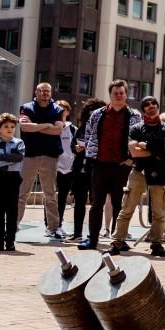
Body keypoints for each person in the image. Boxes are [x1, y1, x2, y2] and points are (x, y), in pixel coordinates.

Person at [112, 96, 165, 257]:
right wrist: (157, 149)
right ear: (143, 109)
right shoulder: (136, 128)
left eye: (153, 103)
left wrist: (145, 145)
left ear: (158, 106)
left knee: (159, 212)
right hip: (139, 171)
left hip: (160, 173)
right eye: (146, 105)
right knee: (127, 208)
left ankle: (157, 243)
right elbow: (134, 152)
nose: (151, 106)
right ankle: (117, 242)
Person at [80, 80, 141, 251]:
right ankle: (92, 239)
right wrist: (92, 156)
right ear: (110, 95)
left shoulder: (135, 116)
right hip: (100, 164)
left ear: (126, 94)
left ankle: (118, 240)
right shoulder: (97, 114)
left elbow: (139, 138)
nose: (119, 95)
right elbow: (89, 134)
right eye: (116, 93)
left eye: (122, 92)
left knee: (119, 205)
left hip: (122, 166)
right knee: (96, 204)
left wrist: (131, 159)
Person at [17, 83, 66, 241]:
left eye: (47, 91)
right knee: (22, 193)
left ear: (51, 93)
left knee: (50, 194)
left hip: (50, 156)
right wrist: (46, 125)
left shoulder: (58, 110)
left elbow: (58, 130)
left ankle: (53, 227)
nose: (45, 93)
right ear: (36, 92)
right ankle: (13, 224)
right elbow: (24, 128)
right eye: (42, 91)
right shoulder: (26, 107)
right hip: (29, 155)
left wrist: (35, 126)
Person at [0, 113, 25, 251]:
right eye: (6, 126)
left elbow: (18, 158)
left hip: (13, 179)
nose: (9, 129)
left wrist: (1, 158)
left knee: (12, 211)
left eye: (12, 127)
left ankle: (10, 241)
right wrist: (9, 160)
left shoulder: (19, 143)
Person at [68, 98, 103, 240]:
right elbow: (73, 144)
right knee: (79, 203)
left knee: (96, 204)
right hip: (79, 170)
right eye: (89, 112)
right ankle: (77, 233)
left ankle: (93, 234)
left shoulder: (102, 128)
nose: (91, 115)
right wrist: (76, 148)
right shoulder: (82, 128)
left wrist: (87, 148)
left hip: (94, 170)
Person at [54, 100, 77, 235]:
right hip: (53, 166)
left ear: (68, 112)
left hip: (68, 168)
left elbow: (75, 147)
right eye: (58, 109)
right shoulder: (51, 127)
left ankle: (59, 224)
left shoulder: (73, 129)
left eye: (64, 109)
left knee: (62, 197)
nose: (61, 112)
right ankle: (49, 225)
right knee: (50, 197)